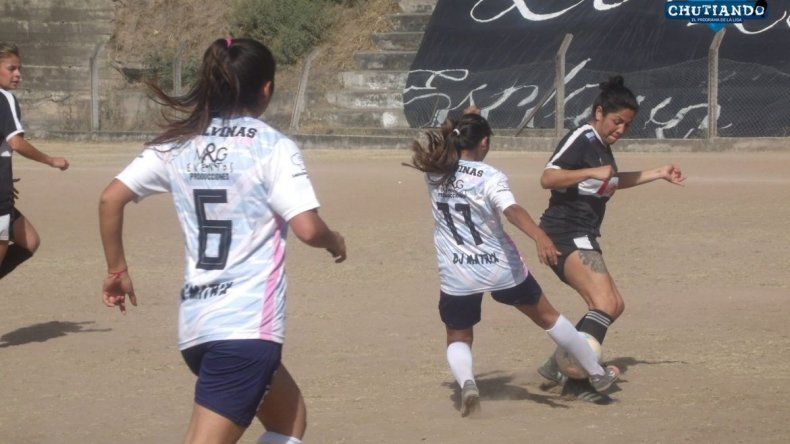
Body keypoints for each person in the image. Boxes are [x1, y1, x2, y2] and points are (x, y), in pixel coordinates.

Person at [99, 38, 346, 444]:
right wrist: (335, 240)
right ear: (266, 89)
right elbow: (306, 227)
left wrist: (117, 270)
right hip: (245, 328)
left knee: (290, 420)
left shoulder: (178, 143)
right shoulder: (272, 147)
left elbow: (111, 198)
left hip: (198, 326)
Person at [406, 107, 619, 417]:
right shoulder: (490, 176)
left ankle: (467, 383)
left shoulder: (435, 171)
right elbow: (512, 210)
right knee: (549, 318)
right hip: (500, 266)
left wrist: (463, 119)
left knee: (458, 336)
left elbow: (453, 140)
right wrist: (539, 237)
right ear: (485, 143)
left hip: (457, 270)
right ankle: (596, 374)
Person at [536, 76, 685, 403]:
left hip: (583, 233)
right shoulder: (582, 138)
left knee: (614, 305)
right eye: (617, 121)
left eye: (627, 125)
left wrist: (657, 173)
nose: (621, 130)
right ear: (599, 112)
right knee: (604, 304)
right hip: (564, 232)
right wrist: (589, 172)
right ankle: (578, 379)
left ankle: (559, 364)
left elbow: (612, 181)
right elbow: (548, 177)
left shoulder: (602, 147)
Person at [0, 42, 69, 280]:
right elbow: (16, 143)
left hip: (3, 192)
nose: (18, 74)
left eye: (19, 68)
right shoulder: (4, 98)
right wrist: (51, 160)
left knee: (29, 240)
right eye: (11, 68)